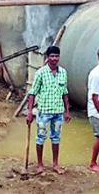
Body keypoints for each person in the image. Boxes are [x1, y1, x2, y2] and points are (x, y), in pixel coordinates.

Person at [26, 45, 71, 174]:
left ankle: (55, 164)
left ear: (59, 57)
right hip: (44, 112)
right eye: (52, 56)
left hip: (58, 112)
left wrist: (67, 111)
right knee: (40, 137)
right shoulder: (41, 72)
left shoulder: (63, 72)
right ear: (47, 58)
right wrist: (29, 112)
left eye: (56, 56)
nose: (54, 59)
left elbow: (65, 93)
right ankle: (40, 164)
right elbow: (32, 93)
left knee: (56, 138)